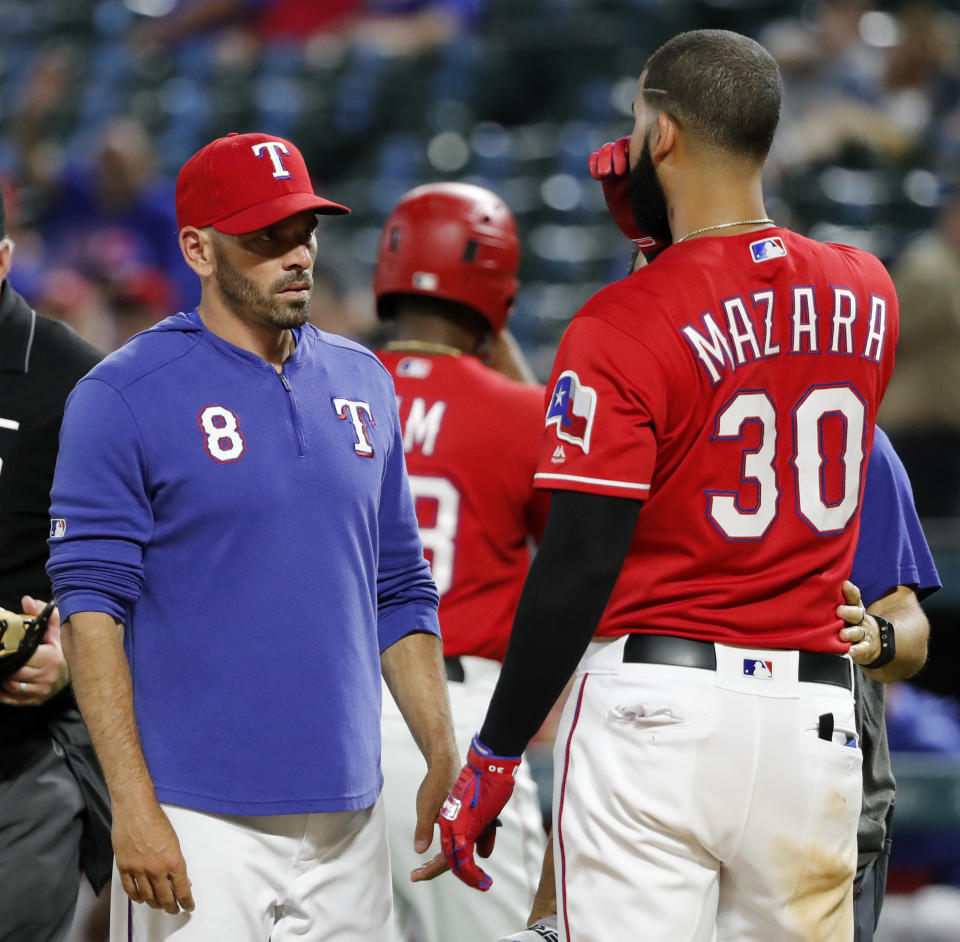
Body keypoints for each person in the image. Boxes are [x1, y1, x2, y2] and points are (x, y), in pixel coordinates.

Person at [437, 29, 900, 941]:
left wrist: (493, 751)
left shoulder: (622, 319)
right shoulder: (868, 289)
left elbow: (577, 562)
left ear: (663, 135)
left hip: (659, 711)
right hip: (814, 715)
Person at [46, 131, 459, 942]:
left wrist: (440, 745)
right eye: (264, 236)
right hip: (197, 816)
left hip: (350, 807)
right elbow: (90, 611)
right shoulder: (121, 393)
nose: (296, 253)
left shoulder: (363, 379)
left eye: (304, 228)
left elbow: (399, 585)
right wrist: (131, 805)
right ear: (198, 249)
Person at [498, 427, 940, 942]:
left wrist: (879, 635)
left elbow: (907, 627)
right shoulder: (666, 420)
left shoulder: (847, 430)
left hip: (829, 783)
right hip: (658, 752)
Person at [370, 182, 547, 941]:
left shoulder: (321, 389)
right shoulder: (522, 413)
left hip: (323, 718)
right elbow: (581, 542)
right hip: (457, 720)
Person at [0, 186, 111, 940]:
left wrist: (72, 647)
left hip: (22, 748)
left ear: (4, 258)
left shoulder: (74, 379)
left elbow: (142, 551)